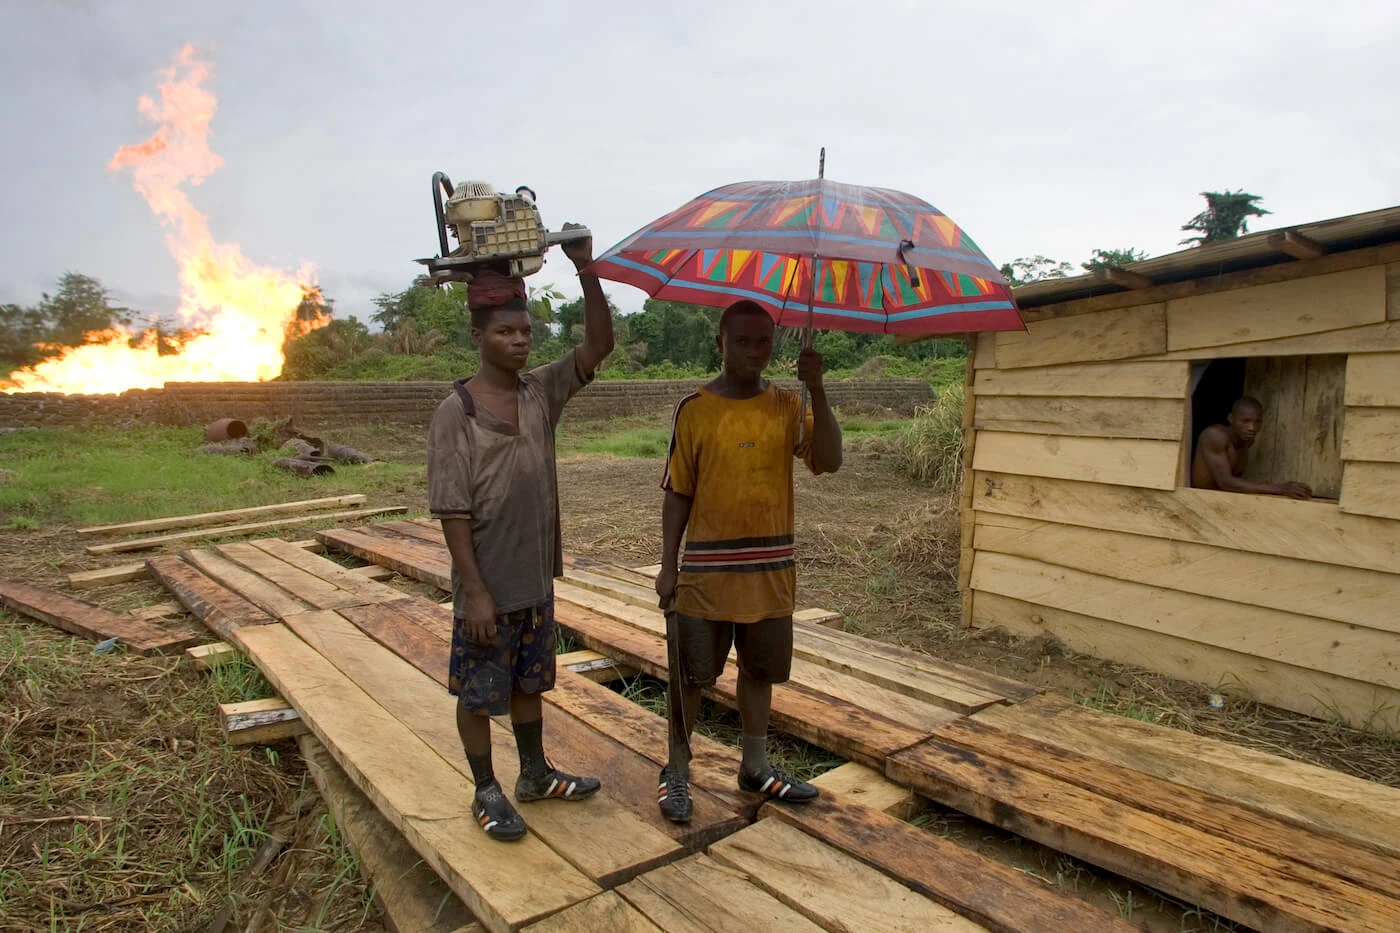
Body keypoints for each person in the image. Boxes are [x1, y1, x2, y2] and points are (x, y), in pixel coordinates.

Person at [426, 228, 614, 841]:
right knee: (481, 693)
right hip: (488, 586)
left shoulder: (540, 392)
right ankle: (485, 789)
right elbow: (452, 509)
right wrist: (475, 590)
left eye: (526, 331)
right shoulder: (457, 412)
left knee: (531, 680)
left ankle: (534, 774)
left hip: (534, 580)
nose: (519, 341)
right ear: (478, 338)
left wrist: (587, 271)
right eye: (505, 332)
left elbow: (599, 345)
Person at [653, 300, 843, 823]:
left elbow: (828, 461)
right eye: (743, 341)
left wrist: (819, 389)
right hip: (707, 572)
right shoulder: (694, 409)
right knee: (691, 674)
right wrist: (668, 566)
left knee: (760, 671)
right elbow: (678, 494)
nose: (755, 351)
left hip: (770, 569)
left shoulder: (787, 405)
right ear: (720, 343)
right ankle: (676, 768)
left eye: (764, 341)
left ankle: (754, 768)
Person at [1191, 396, 1311, 499]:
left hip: (1226, 499)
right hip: (1200, 498)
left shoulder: (1247, 441)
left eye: (1257, 422)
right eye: (1245, 421)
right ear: (1231, 419)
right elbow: (1225, 482)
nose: (1252, 428)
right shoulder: (1215, 436)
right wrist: (1281, 488)